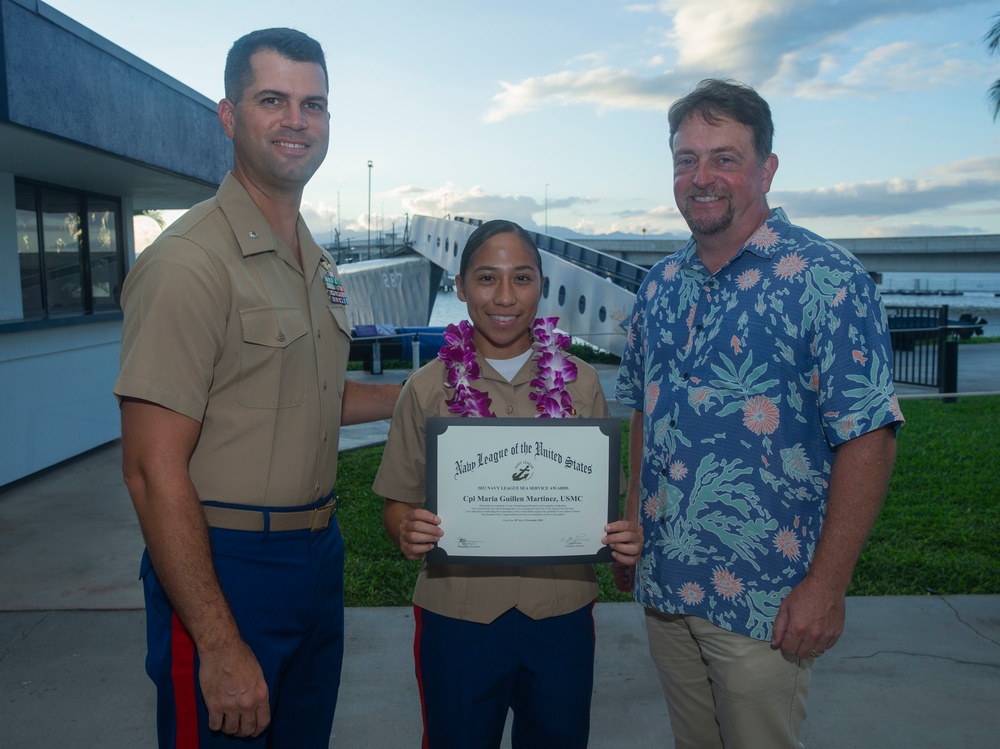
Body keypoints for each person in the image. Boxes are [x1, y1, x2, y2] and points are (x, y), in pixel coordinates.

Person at [115, 28, 400, 748]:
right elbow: (151, 470)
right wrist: (216, 640)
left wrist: (422, 396)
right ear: (228, 115)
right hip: (223, 561)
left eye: (314, 103)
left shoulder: (317, 262)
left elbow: (313, 399)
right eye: (273, 99)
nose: (296, 121)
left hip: (316, 556)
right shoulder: (189, 263)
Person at [614, 78, 904, 749]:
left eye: (725, 157)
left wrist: (828, 585)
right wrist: (632, 516)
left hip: (764, 601)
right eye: (686, 159)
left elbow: (870, 435)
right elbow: (643, 410)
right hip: (666, 587)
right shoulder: (657, 285)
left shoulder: (826, 279)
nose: (702, 176)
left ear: (766, 168)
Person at [373, 219, 643, 748]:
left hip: (560, 614)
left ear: (541, 286)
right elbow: (397, 502)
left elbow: (602, 512)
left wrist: (625, 540)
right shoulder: (426, 388)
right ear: (459, 287)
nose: (504, 296)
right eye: (486, 278)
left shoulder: (581, 384)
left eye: (521, 278)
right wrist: (406, 528)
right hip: (459, 618)